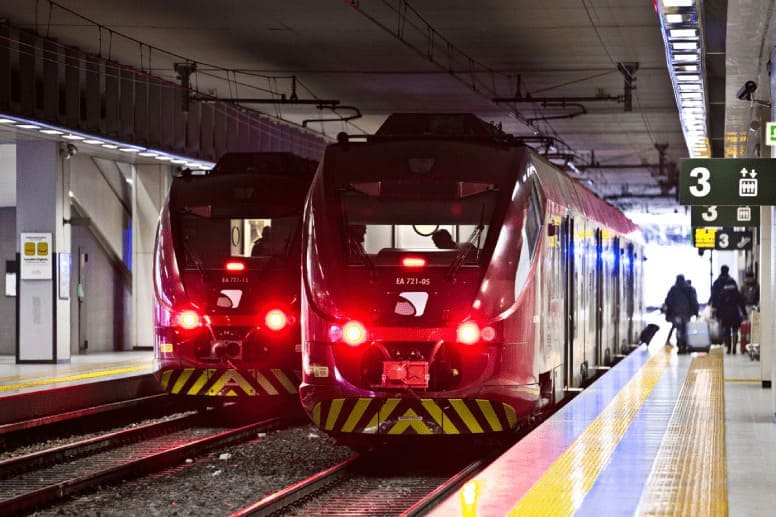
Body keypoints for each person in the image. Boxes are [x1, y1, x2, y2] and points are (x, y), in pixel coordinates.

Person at [710, 265, 746, 354]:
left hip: (724, 312)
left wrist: (716, 312)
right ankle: (734, 347)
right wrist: (744, 312)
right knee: (734, 329)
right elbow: (740, 300)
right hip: (734, 311)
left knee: (726, 329)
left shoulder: (717, 283)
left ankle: (728, 347)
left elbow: (717, 299)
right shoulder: (733, 282)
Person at [663, 274, 699, 354]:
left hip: (676, 314)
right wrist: (696, 312)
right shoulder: (690, 288)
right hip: (687, 314)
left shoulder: (673, 289)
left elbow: (668, 301)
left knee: (679, 329)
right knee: (686, 329)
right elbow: (694, 301)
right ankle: (685, 345)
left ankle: (680, 346)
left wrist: (669, 312)